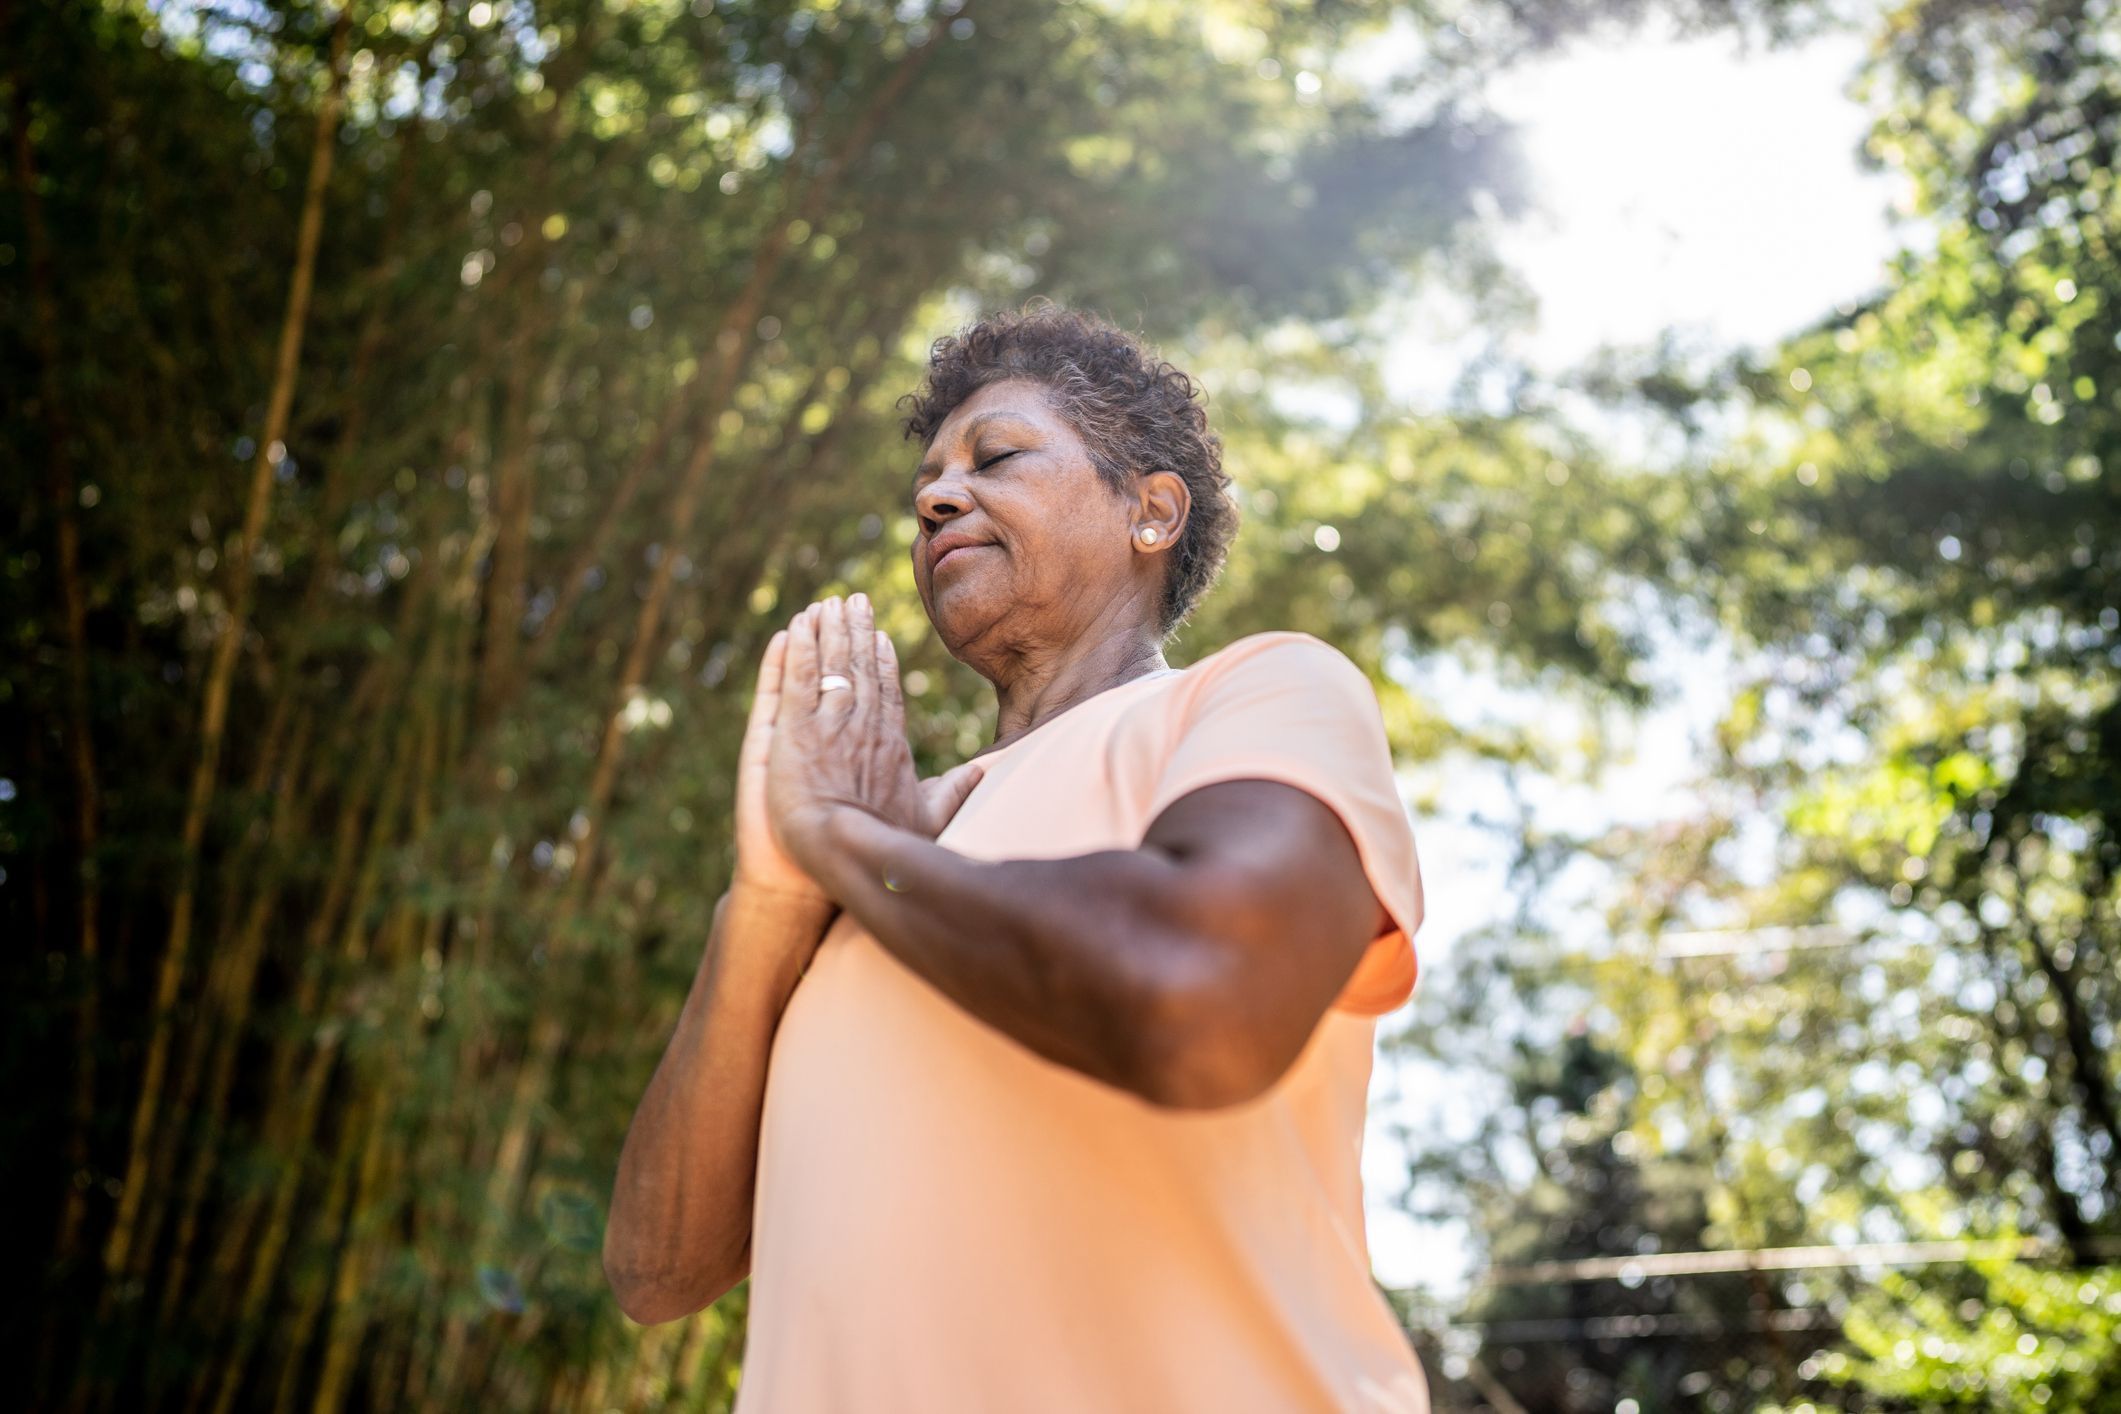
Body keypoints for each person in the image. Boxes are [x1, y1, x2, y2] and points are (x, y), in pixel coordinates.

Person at [604, 305, 1430, 1411]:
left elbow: (1195, 993)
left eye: (997, 457)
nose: (938, 497)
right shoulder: (876, 855)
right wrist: (769, 894)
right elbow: (658, 1269)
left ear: (1150, 511)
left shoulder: (1253, 694)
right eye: (928, 487)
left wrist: (847, 842)